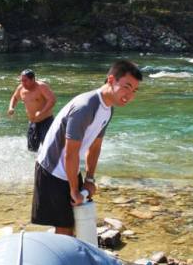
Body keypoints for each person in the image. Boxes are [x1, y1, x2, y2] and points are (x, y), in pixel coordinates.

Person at [32, 60, 142, 236]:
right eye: (126, 87)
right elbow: (70, 152)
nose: (129, 95)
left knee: (76, 221)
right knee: (65, 227)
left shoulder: (108, 109)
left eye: (134, 90)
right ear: (111, 80)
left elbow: (95, 145)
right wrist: (74, 190)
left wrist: (90, 178)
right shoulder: (86, 106)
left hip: (69, 168)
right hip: (52, 169)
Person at [7, 69, 57, 152]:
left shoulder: (41, 87)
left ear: (33, 79)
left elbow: (52, 100)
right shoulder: (21, 88)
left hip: (46, 121)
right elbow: (15, 97)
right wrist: (11, 107)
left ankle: (51, 164)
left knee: (48, 148)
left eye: (25, 81)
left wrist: (42, 112)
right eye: (21, 81)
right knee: (31, 150)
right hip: (32, 122)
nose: (23, 83)